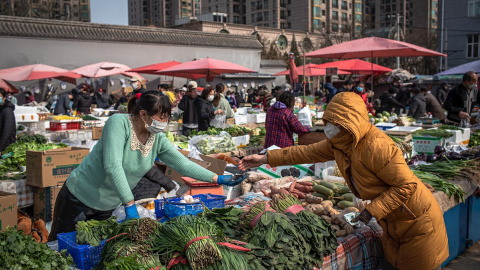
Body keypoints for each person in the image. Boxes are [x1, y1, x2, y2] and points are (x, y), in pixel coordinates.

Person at [239, 92, 448, 270]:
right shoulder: (339, 142)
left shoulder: (377, 146)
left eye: (335, 123)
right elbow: (305, 152)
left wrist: (370, 212)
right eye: (329, 122)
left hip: (418, 221)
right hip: (393, 222)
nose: (329, 127)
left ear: (350, 122)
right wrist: (265, 158)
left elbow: (407, 186)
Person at [48, 91, 246, 241]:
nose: (164, 122)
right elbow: (112, 166)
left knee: (92, 251)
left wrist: (216, 178)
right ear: (143, 114)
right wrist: (129, 203)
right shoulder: (119, 123)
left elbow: (182, 163)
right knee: (61, 247)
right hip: (79, 198)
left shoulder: (156, 137)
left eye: (167, 117)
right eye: (161, 117)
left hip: (107, 206)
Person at [0, 88, 16, 156]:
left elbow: (7, 130)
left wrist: (0, 148)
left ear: (4, 98)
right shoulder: (1, 109)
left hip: (6, 147)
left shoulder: (7, 111)